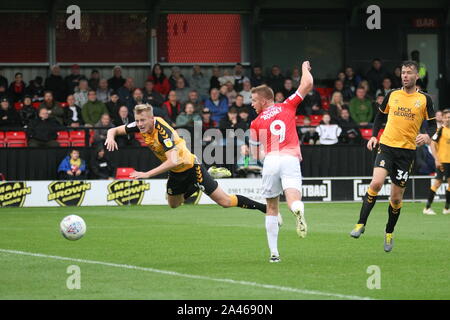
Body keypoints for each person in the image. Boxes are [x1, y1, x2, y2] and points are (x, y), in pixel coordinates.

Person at [105, 104, 268, 221]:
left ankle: (265, 209)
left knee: (224, 202)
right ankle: (201, 180)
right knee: (174, 204)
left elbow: (172, 161)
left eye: (142, 121)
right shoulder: (140, 125)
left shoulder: (163, 133)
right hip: (177, 172)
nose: (139, 124)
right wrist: (110, 137)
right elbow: (114, 130)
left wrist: (147, 174)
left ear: (152, 119)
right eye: (137, 120)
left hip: (190, 166)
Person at [350, 60, 437, 252]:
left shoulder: (424, 99)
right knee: (376, 183)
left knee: (396, 199)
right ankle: (360, 224)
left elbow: (432, 124)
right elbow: (380, 116)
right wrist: (374, 136)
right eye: (403, 73)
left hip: (406, 153)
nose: (405, 76)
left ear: (416, 76)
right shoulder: (392, 94)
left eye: (409, 73)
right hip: (387, 146)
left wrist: (427, 135)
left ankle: (389, 233)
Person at [249, 60, 313, 262]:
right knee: (293, 199)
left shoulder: (255, 122)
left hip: (271, 160)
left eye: (253, 100)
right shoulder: (287, 105)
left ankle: (274, 253)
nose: (251, 104)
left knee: (272, 208)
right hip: (290, 158)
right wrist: (304, 68)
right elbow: (307, 84)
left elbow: (254, 154)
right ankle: (298, 211)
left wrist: (253, 152)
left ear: (265, 100)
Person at [423, 109, 450, 215]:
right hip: (442, 161)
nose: (448, 119)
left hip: (449, 161)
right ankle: (427, 208)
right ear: (443, 118)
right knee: (438, 183)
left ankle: (446, 208)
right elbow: (432, 144)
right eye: (447, 117)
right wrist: (436, 159)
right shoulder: (440, 130)